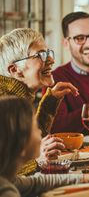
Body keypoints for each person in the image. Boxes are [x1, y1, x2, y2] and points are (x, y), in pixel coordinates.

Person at [0, 96, 89, 197]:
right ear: (20, 142)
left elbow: (36, 182)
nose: (41, 133)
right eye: (35, 128)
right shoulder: (5, 191)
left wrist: (86, 177)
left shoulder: (9, 179)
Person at [0, 28, 79, 175]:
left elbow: (30, 143)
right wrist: (37, 159)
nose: (51, 60)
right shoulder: (4, 104)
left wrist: (50, 102)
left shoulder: (19, 97)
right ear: (15, 69)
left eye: (48, 53)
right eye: (40, 55)